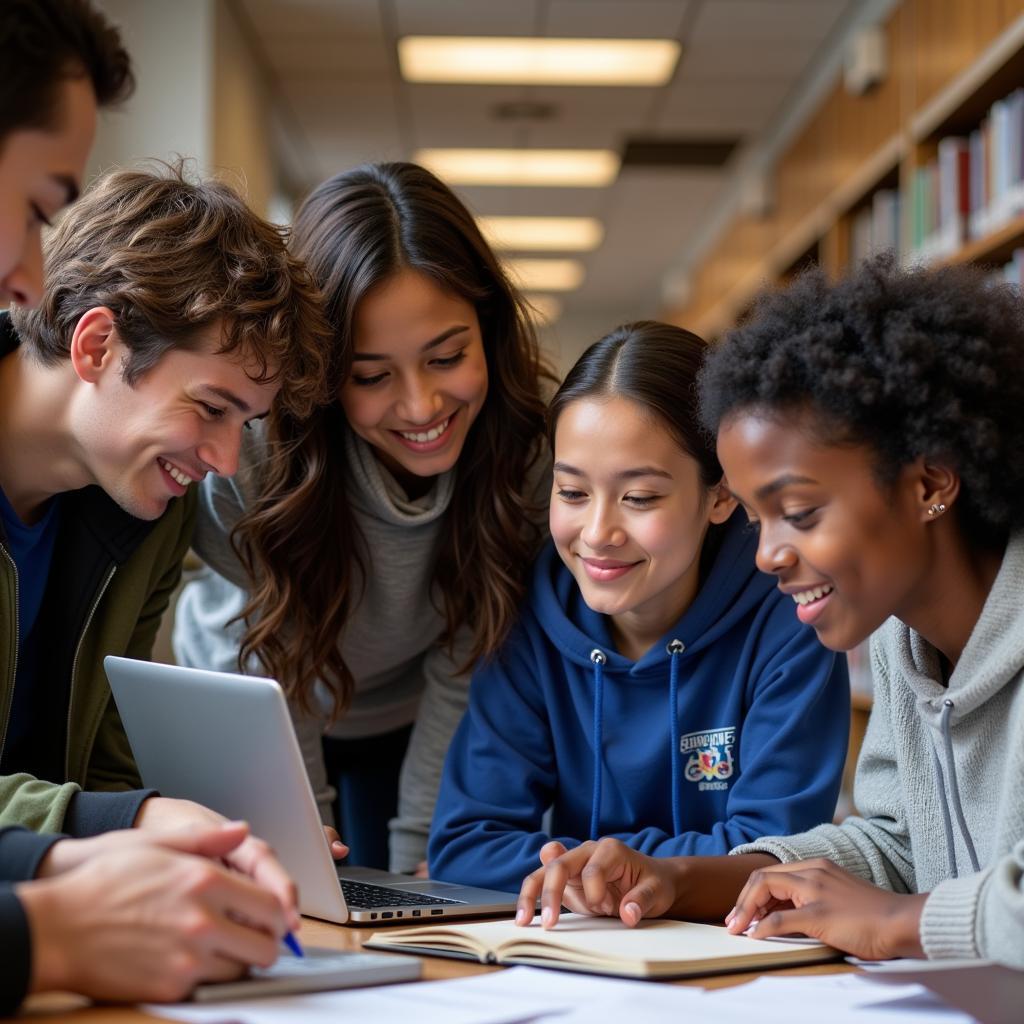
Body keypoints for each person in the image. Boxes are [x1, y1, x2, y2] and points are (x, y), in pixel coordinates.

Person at [514, 256, 1024, 968]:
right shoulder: (901, 639)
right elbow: (896, 846)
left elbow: (907, 902)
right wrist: (677, 878)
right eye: (758, 520)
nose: (766, 556)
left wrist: (901, 924)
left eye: (800, 513)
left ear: (930, 482)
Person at [0, 2, 334, 1005]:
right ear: (97, 345)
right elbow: (97, 809)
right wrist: (133, 825)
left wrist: (202, 828)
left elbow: (96, 767)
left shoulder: (149, 509)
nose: (226, 456)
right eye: (211, 407)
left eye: (250, 421)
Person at [173, 161, 553, 873]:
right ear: (318, 373)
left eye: (447, 358)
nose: (420, 407)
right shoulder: (252, 453)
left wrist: (427, 860)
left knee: (411, 877)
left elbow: (467, 662)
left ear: (489, 331)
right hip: (257, 699)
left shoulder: (527, 454)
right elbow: (275, 667)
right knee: (299, 883)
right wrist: (306, 855)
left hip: (408, 715)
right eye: (371, 376)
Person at [427, 321, 849, 894]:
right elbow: (465, 845)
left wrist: (597, 867)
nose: (598, 533)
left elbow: (777, 851)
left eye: (640, 498)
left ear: (721, 493)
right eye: (572, 492)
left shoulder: (791, 616)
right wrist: (608, 872)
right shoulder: (528, 617)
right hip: (581, 953)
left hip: (734, 962)